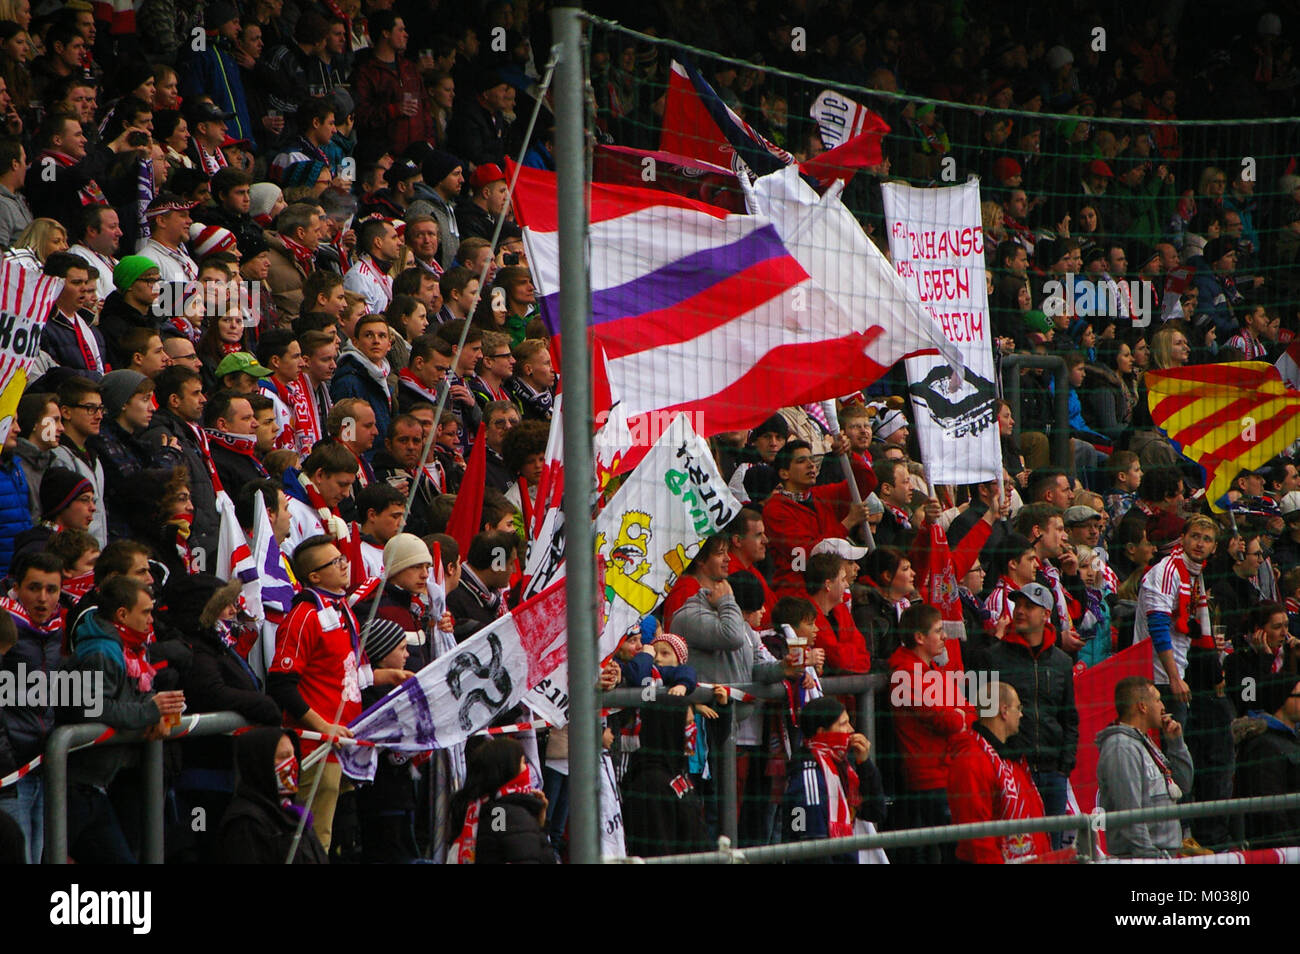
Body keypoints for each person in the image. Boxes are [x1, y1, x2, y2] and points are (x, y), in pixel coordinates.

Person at [57, 576, 186, 863]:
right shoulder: (101, 652)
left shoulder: (126, 648)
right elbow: (93, 708)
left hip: (94, 786)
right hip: (72, 788)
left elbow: (135, 698)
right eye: (146, 612)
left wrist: (161, 712)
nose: (151, 620)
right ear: (122, 614)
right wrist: (150, 712)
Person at [979, 582, 1079, 844]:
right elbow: (984, 719)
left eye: (1029, 607)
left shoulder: (1061, 661)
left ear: (1046, 614)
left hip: (1053, 772)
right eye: (1018, 605)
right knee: (1017, 847)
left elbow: (1069, 717)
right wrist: (1003, 763)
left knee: (1053, 848)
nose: (1020, 611)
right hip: (1013, 771)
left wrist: (1064, 765)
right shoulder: (994, 658)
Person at [888, 602, 973, 862]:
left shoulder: (930, 670)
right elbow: (945, 720)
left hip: (947, 772)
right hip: (928, 777)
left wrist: (958, 715)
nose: (945, 636)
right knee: (945, 851)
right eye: (938, 631)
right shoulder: (903, 673)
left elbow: (969, 712)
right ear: (919, 637)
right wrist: (958, 716)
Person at [0, 551, 65, 863]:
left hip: (44, 763)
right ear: (16, 586)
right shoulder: (3, 624)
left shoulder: (55, 630)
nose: (43, 598)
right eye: (34, 588)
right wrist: (6, 758)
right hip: (10, 771)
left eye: (51, 590)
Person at [946, 681, 1052, 863]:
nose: (1021, 714)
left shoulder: (1011, 759)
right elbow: (976, 834)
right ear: (1003, 711)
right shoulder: (971, 761)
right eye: (1018, 708)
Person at [1095, 675, 1194, 858]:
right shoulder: (1121, 748)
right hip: (1142, 858)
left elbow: (1185, 785)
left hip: (1163, 854)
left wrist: (1176, 744)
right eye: (1157, 700)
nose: (1163, 706)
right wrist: (1151, 858)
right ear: (1142, 706)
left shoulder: (1145, 743)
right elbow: (1129, 813)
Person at [780, 696, 883, 862]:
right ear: (822, 732)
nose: (851, 730)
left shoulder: (842, 767)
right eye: (843, 724)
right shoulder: (809, 779)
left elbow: (876, 812)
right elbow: (811, 848)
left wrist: (865, 764)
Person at [217, 727, 328, 864]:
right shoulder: (245, 823)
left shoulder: (295, 810)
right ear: (260, 763)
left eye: (294, 755)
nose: (292, 764)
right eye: (283, 757)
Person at [447, 737, 553, 864]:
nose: (527, 769)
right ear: (508, 769)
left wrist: (539, 823)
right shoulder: (502, 811)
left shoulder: (482, 807)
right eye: (523, 763)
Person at [1233, 674, 1300, 848]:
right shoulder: (1263, 746)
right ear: (1281, 700)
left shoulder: (1290, 740)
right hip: (1281, 850)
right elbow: (1270, 810)